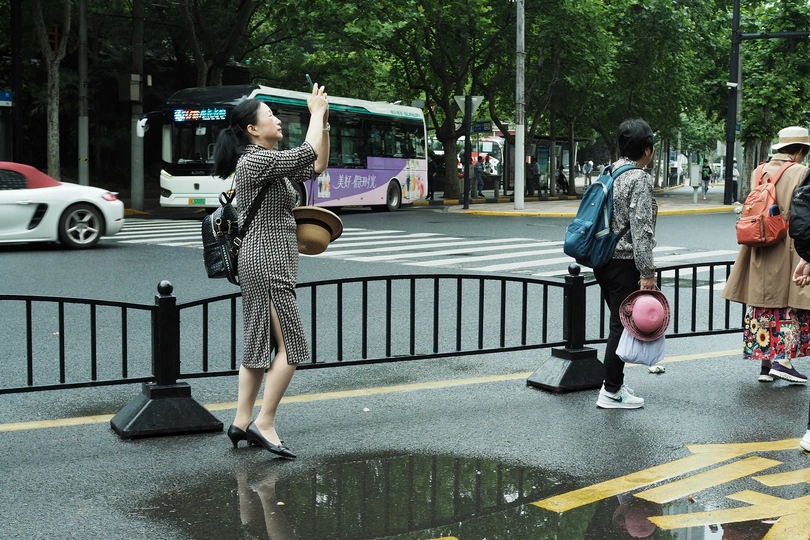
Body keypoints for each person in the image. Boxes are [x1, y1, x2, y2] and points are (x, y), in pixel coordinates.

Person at [210, 83, 330, 459]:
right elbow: (308, 151)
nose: (277, 120)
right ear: (252, 129)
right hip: (268, 260)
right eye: (270, 116)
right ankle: (265, 422)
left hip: (264, 259)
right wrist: (315, 113)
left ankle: (241, 421)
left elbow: (317, 165)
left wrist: (324, 123)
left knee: (258, 344)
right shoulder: (254, 161)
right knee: (291, 347)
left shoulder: (269, 162)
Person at [722, 126, 810, 387]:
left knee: (762, 304)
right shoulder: (801, 172)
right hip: (787, 245)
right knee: (788, 304)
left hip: (759, 243)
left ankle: (765, 364)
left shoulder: (758, 170)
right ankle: (783, 362)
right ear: (800, 150)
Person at [594, 118, 658, 410]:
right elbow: (641, 228)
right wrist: (647, 272)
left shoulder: (609, 171)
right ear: (647, 150)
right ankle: (611, 391)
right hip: (623, 262)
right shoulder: (639, 178)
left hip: (603, 258)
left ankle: (615, 385)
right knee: (621, 326)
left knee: (618, 323)